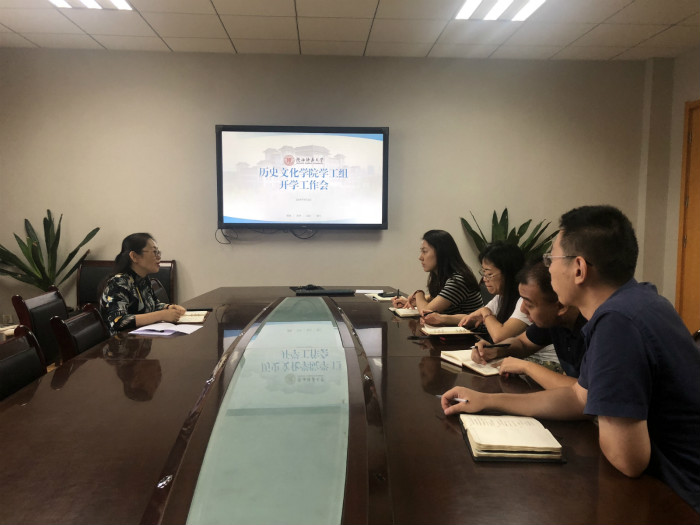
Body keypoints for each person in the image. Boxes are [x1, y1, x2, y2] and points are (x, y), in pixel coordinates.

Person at [441, 205, 700, 513]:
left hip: (680, 498)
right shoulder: (640, 301)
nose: (547, 268)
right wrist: (488, 401)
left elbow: (628, 460)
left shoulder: (617, 323)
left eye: (551, 259)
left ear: (579, 268)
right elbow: (579, 397)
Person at [472, 260, 587, 389]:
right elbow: (522, 343)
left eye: (529, 304)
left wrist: (526, 367)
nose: (522, 309)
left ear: (561, 306)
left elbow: (586, 391)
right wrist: (495, 349)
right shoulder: (554, 320)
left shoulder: (595, 329)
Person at [100, 233, 185, 334]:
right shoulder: (118, 283)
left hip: (142, 338)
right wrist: (162, 315)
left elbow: (153, 305)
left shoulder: (143, 279)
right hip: (121, 342)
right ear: (134, 256)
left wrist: (168, 307)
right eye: (154, 252)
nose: (159, 257)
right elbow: (119, 321)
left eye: (158, 252)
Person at [392, 230, 482, 316]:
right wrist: (412, 302)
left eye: (424, 251)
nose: (420, 257)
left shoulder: (457, 280)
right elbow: (434, 298)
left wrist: (418, 294)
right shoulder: (442, 276)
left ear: (441, 253)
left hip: (469, 327)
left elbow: (426, 312)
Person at [453, 242, 528, 342]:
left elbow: (499, 336)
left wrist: (485, 312)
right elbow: (473, 318)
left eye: (489, 274)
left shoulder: (525, 300)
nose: (484, 279)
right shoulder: (501, 296)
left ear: (508, 273)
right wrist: (441, 318)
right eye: (484, 273)